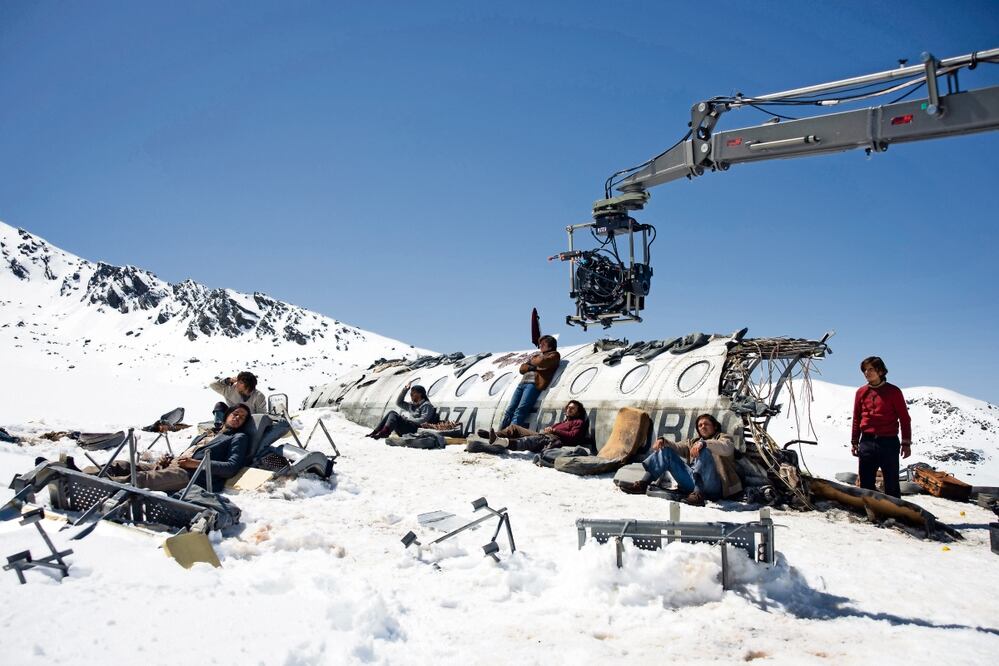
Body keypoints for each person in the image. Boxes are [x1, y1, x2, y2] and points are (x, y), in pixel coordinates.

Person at [82, 404, 252, 492]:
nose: (238, 418)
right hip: (174, 466)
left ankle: (88, 484)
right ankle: (79, 473)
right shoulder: (208, 434)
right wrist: (170, 460)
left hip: (192, 475)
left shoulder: (238, 437)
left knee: (142, 478)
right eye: (235, 414)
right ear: (227, 415)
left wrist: (195, 464)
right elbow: (190, 453)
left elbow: (231, 468)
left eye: (242, 418)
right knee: (123, 465)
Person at [617, 413, 742, 506]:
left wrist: (704, 444)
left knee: (704, 449)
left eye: (706, 424)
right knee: (666, 451)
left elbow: (726, 448)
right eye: (700, 425)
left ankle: (698, 495)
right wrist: (663, 441)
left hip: (714, 486)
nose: (703, 427)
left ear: (715, 427)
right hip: (692, 482)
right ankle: (643, 484)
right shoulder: (693, 442)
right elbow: (677, 447)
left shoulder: (724, 438)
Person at [851, 356, 912, 498]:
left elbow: (904, 418)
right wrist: (854, 441)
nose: (867, 373)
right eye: (864, 370)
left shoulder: (893, 392)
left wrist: (906, 443)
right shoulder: (861, 392)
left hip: (888, 442)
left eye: (871, 369)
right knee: (866, 482)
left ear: (880, 371)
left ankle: (895, 516)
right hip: (867, 441)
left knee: (891, 483)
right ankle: (870, 514)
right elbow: (857, 418)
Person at [469, 400, 589, 454]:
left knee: (530, 440)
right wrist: (551, 429)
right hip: (544, 435)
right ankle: (495, 435)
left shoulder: (578, 422)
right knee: (514, 427)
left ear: (578, 412)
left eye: (572, 408)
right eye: (568, 407)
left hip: (552, 440)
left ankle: (501, 441)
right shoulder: (562, 422)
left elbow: (574, 436)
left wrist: (554, 430)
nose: (569, 409)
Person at [499, 335, 561, 430]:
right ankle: (501, 430)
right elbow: (522, 368)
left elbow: (542, 361)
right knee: (510, 408)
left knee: (521, 409)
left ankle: (509, 432)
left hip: (533, 384)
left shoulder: (554, 355)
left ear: (551, 346)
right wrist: (533, 366)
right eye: (540, 344)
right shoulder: (537, 356)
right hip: (522, 383)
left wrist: (532, 363)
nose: (541, 346)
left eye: (544, 344)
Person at [367, 383, 438, 439]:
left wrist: (407, 419)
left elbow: (423, 420)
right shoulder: (412, 405)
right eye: (411, 392)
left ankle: (385, 432)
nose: (411, 394)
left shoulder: (426, 405)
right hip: (408, 428)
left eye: (413, 392)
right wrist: (405, 390)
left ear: (420, 394)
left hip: (415, 430)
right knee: (391, 412)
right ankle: (376, 431)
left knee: (393, 414)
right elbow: (399, 402)